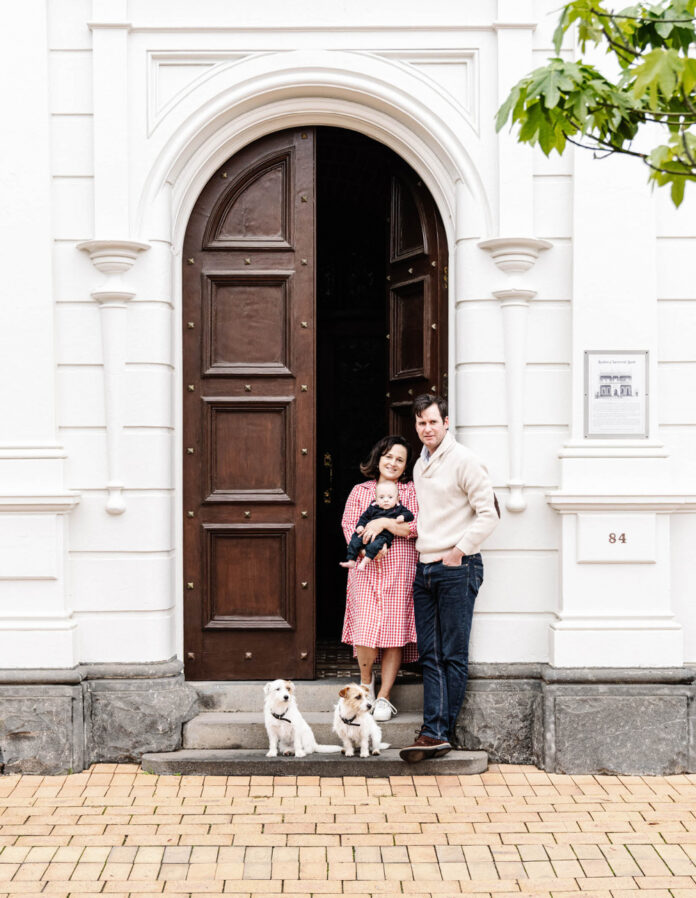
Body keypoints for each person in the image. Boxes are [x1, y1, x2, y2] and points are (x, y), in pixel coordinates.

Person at [399, 395, 500, 763]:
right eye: (420, 423)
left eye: (432, 422)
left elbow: (489, 514)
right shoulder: (419, 466)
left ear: (446, 423)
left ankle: (436, 732)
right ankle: (434, 731)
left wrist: (457, 552)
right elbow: (428, 517)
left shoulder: (465, 461)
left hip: (457, 567)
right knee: (430, 653)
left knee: (452, 653)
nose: (426, 428)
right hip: (425, 567)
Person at [340, 436, 419, 722]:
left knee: (394, 631)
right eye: (388, 456)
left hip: (401, 570)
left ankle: (384, 697)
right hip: (366, 568)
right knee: (365, 627)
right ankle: (365, 685)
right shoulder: (361, 491)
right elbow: (349, 524)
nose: (393, 463)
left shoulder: (411, 492)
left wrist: (385, 523)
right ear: (378, 457)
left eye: (400, 459)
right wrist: (364, 548)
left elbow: (417, 525)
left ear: (406, 465)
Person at [340, 481, 414, 571]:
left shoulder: (398, 509)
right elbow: (364, 517)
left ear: (397, 499)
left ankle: (364, 562)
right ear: (376, 499)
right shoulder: (373, 508)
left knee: (375, 546)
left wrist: (403, 517)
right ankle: (351, 560)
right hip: (366, 533)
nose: (386, 500)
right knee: (355, 540)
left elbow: (410, 515)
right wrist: (360, 526)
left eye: (390, 497)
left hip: (383, 536)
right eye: (381, 497)